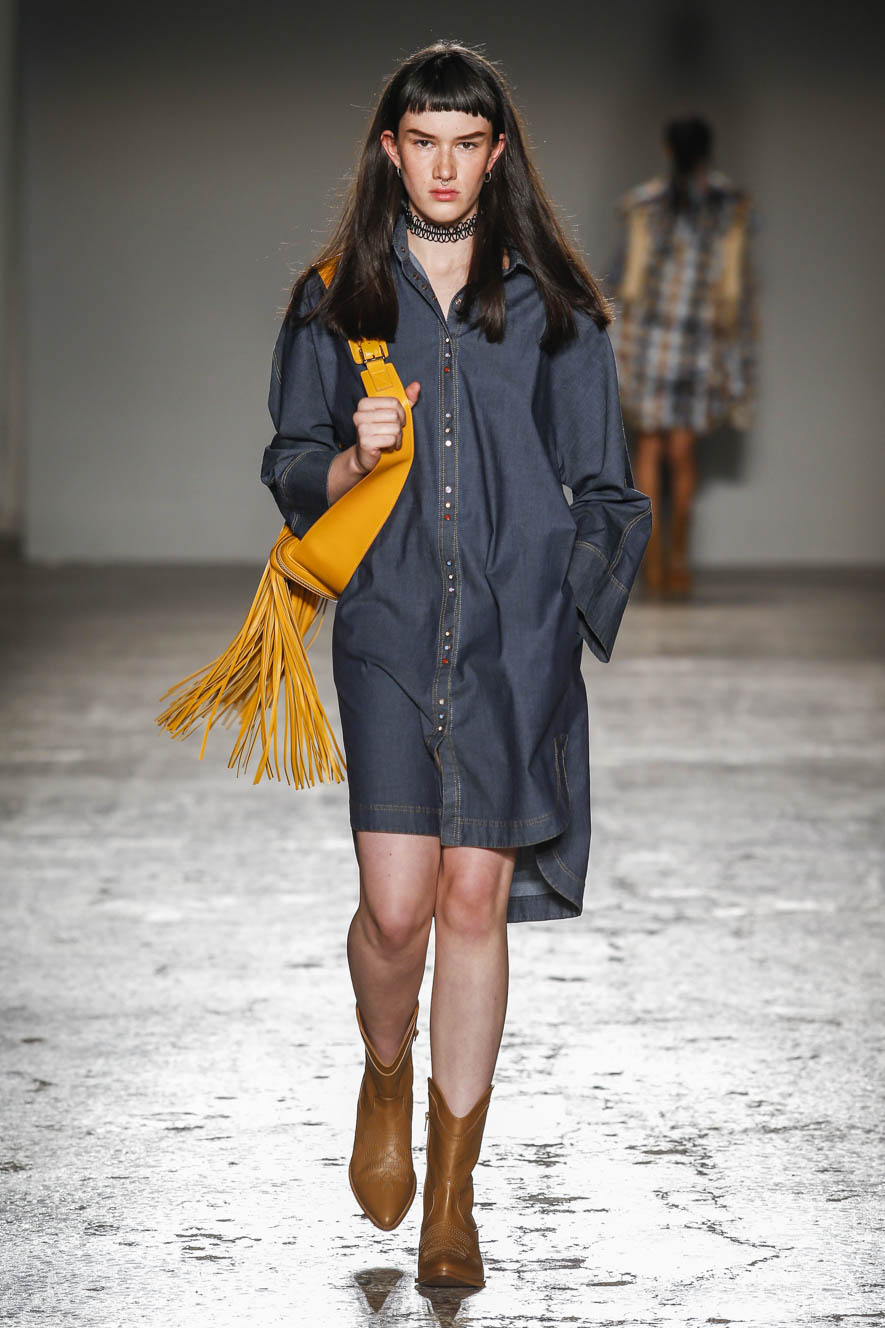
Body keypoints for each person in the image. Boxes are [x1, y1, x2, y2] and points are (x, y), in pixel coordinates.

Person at [260, 41, 651, 1291]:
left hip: (509, 645)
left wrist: (557, 614)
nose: (443, 165)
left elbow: (609, 492)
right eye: (421, 141)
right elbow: (290, 460)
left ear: (496, 155)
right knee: (396, 908)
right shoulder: (334, 301)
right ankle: (385, 1074)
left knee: (472, 903)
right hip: (384, 632)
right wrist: (349, 458)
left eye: (465, 143)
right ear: (391, 151)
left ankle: (454, 1193)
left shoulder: (554, 308)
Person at [606, 115, 760, 595]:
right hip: (699, 344)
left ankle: (652, 567)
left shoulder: (645, 205)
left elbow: (623, 281)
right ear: (709, 150)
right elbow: (738, 288)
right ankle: (678, 563)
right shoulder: (730, 207)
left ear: (667, 149)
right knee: (683, 454)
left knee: (650, 451)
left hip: (649, 343)